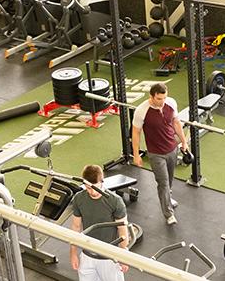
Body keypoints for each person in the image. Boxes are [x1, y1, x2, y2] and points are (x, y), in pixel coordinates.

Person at [131, 83, 188, 225]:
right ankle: (168, 213)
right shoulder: (141, 110)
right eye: (159, 99)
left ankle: (167, 197)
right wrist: (136, 154)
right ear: (151, 96)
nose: (162, 102)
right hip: (156, 153)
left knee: (169, 179)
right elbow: (136, 133)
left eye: (164, 98)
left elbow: (176, 123)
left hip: (172, 149)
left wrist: (184, 142)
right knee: (163, 182)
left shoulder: (171, 103)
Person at [70, 165, 129, 281]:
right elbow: (76, 227)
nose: (92, 192)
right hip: (87, 255)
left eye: (95, 188)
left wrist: (124, 256)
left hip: (110, 258)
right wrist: (73, 253)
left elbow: (123, 230)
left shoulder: (115, 201)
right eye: (88, 188)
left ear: (102, 181)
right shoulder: (79, 198)